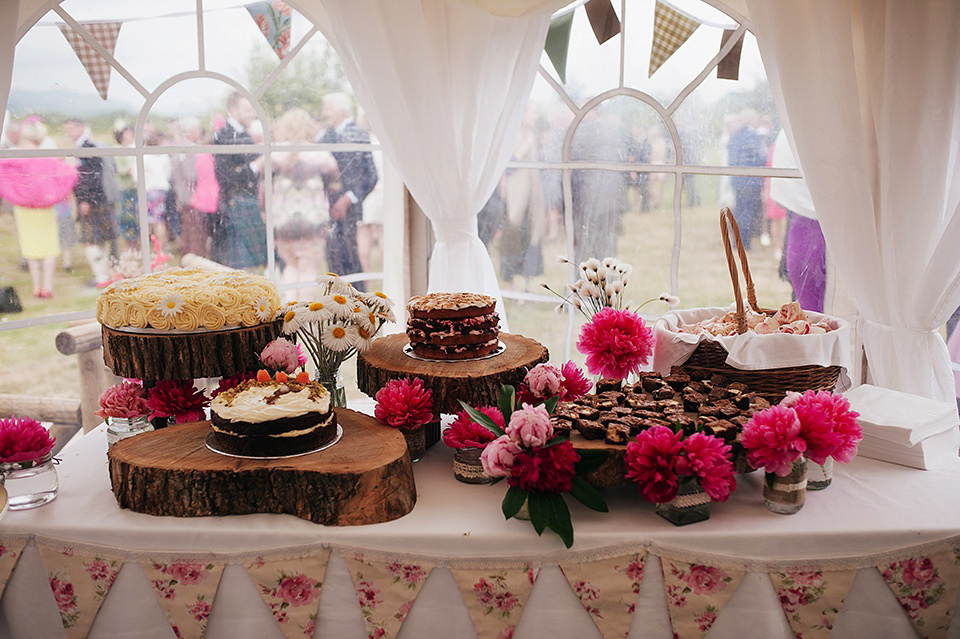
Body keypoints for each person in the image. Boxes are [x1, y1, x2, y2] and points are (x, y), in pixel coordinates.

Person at [0, 117, 77, 298]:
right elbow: (67, 172)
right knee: (49, 245)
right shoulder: (46, 156)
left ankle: (36, 286)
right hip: (45, 207)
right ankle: (47, 287)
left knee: (30, 245)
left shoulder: (14, 154)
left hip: (23, 208)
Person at [271, 107, 339, 300]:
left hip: (284, 221)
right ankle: (306, 318)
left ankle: (289, 313)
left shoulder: (276, 153)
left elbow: (260, 177)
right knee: (308, 269)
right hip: (313, 220)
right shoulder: (319, 153)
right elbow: (334, 177)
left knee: (290, 266)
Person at [316, 92, 379, 290]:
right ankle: (336, 302)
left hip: (351, 210)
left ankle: (359, 301)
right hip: (326, 207)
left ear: (341, 109)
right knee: (332, 257)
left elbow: (370, 176)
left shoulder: (360, 134)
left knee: (351, 257)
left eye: (328, 108)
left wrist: (349, 198)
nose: (325, 113)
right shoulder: (324, 137)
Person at [769, 129, 826, 312]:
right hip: (812, 229)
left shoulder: (788, 131)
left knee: (807, 308)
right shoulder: (795, 131)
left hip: (801, 227)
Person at [212, 92, 267, 270]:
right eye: (248, 109)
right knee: (242, 267)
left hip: (246, 201)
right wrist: (256, 166)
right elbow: (225, 177)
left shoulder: (243, 134)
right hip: (236, 202)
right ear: (233, 110)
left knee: (252, 264)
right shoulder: (224, 135)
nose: (252, 113)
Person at [64, 117, 117, 286]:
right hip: (93, 200)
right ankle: (103, 274)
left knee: (92, 240)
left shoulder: (88, 148)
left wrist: (85, 200)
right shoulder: (83, 147)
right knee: (97, 239)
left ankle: (102, 276)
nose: (68, 133)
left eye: (71, 128)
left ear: (81, 127)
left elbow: (91, 177)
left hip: (92, 201)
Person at [499, 106, 545, 293]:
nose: (534, 115)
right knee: (511, 243)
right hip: (514, 201)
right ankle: (512, 287)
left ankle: (528, 286)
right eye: (531, 111)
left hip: (531, 201)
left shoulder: (533, 135)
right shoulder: (511, 135)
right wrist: (525, 146)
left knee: (531, 242)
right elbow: (508, 165)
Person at [170, 116, 219, 259]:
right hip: (192, 199)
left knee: (189, 235)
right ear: (190, 131)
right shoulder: (189, 150)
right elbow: (191, 176)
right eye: (197, 129)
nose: (199, 132)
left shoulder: (179, 147)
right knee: (195, 238)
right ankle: (195, 265)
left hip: (184, 197)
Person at [727, 108, 766, 249]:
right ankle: (744, 243)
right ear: (753, 120)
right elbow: (760, 158)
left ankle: (736, 241)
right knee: (748, 213)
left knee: (739, 210)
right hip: (751, 181)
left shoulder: (734, 136)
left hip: (737, 180)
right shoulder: (754, 136)